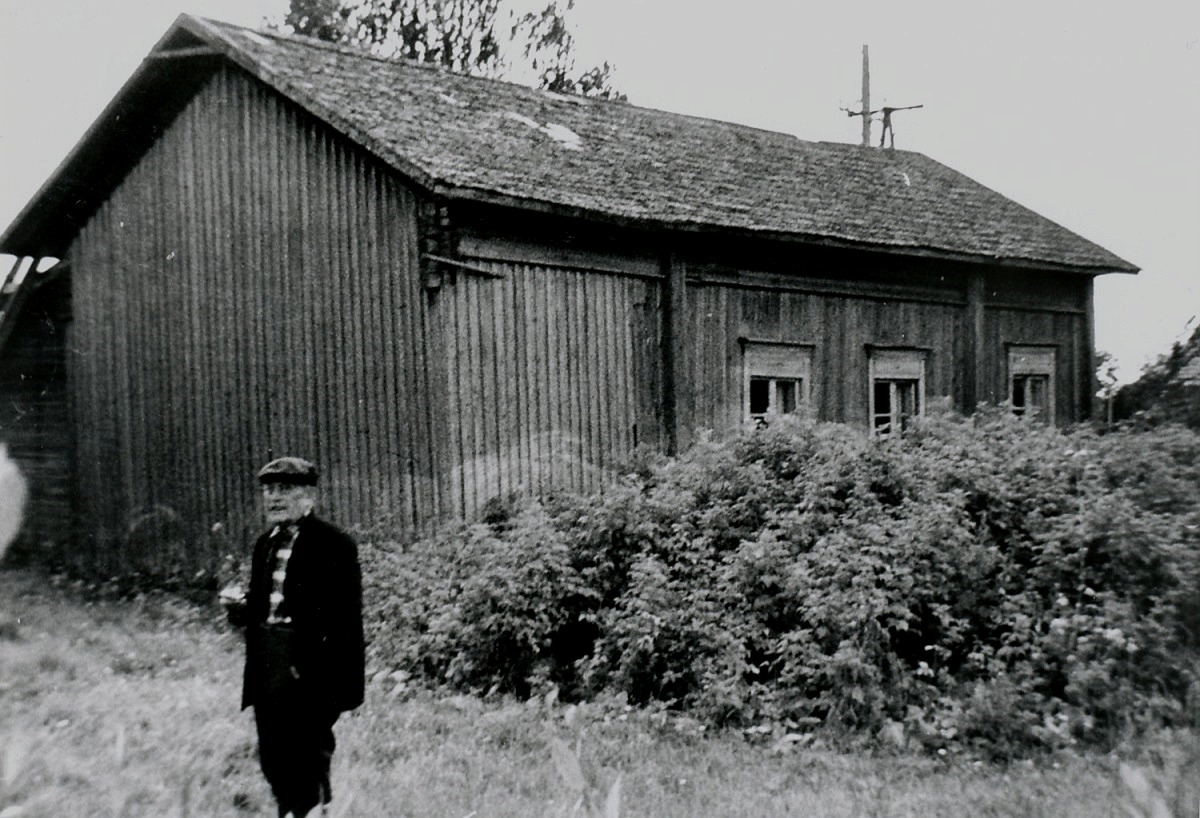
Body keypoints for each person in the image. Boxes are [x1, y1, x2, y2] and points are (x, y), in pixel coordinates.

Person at [223, 456, 365, 818]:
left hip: (310, 669)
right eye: (269, 490)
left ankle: (312, 810)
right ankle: (291, 810)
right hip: (268, 664)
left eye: (284, 489)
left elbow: (345, 622)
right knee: (273, 754)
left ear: (308, 495)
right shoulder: (264, 544)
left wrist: (333, 686)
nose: (273, 498)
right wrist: (240, 608)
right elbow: (264, 607)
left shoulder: (334, 545)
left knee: (309, 752)